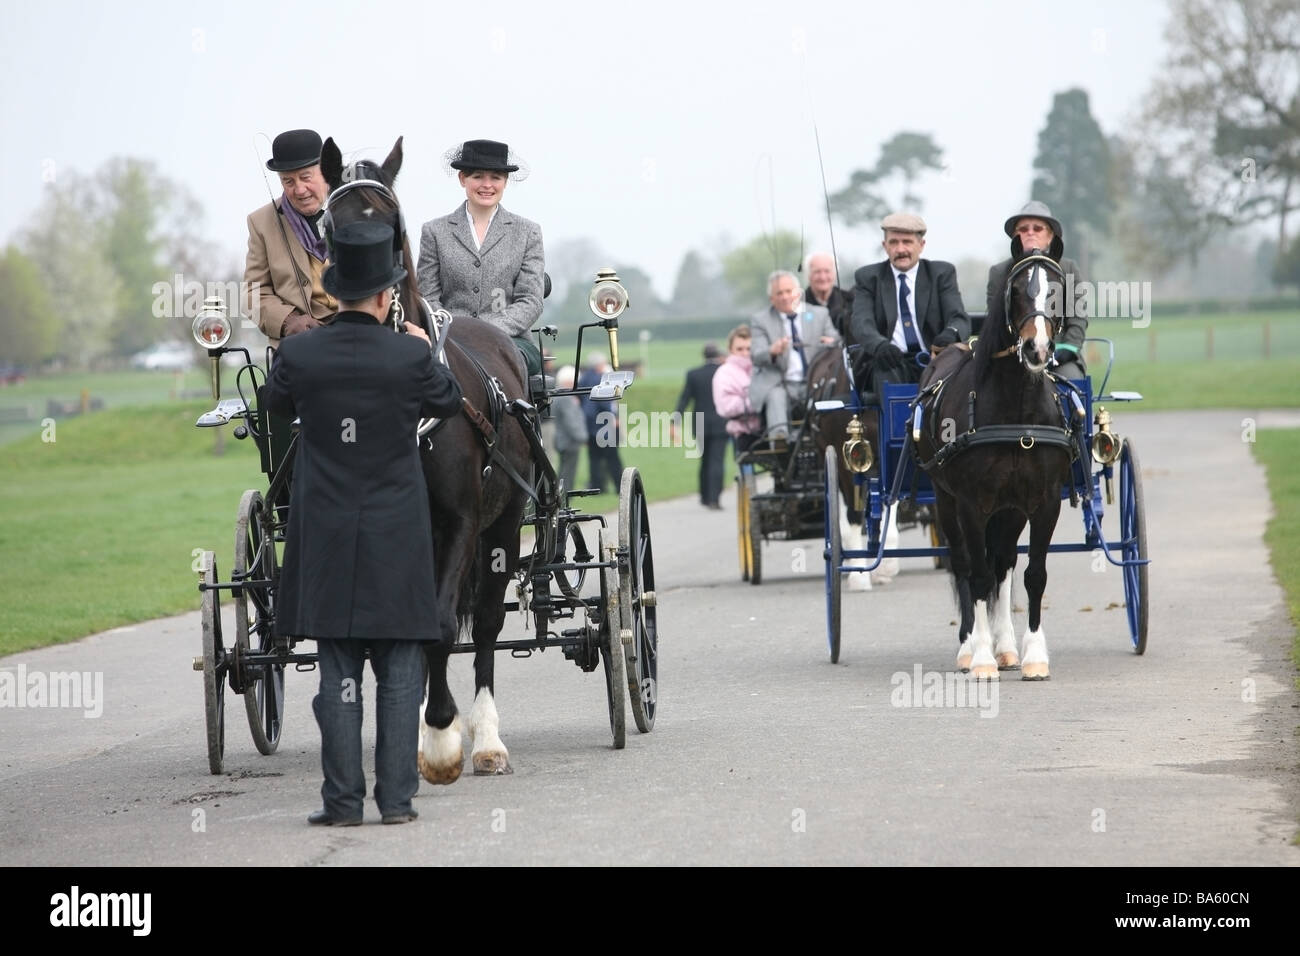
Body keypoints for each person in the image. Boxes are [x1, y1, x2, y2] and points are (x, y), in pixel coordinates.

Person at [263, 220, 463, 826]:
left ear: (337, 291)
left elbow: (274, 405)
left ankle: (343, 803)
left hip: (325, 534)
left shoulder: (298, 354)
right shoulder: (407, 353)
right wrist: (419, 345)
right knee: (401, 673)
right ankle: (397, 801)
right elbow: (448, 401)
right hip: (396, 536)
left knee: (338, 677)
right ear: (384, 296)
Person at [416, 139, 546, 379]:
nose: (487, 185)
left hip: (511, 341)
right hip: (448, 339)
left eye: (495, 177)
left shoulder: (528, 232)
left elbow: (530, 300)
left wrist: (487, 331)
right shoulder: (434, 231)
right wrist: (453, 332)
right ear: (462, 178)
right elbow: (428, 297)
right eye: (478, 176)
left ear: (505, 182)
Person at [849, 212, 970, 396]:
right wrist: (880, 345)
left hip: (935, 359)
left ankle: (951, 426)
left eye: (907, 242)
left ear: (921, 245)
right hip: (890, 361)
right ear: (885, 246)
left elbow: (958, 318)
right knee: (887, 377)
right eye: (893, 242)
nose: (900, 249)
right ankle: (896, 425)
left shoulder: (941, 274)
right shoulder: (868, 277)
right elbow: (861, 322)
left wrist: (949, 335)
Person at [244, 128, 338, 345]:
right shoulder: (260, 223)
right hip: (300, 344)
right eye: (288, 182)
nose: (300, 189)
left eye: (306, 178)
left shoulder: (354, 206)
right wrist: (289, 321)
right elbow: (253, 295)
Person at [986, 200, 1089, 381]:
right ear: (1015, 237)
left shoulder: (1069, 268)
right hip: (1011, 357)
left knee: (1072, 381)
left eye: (1037, 228)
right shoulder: (999, 272)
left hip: (1059, 355)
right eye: (1023, 229)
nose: (1030, 233)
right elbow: (996, 321)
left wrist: (1067, 350)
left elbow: (1078, 317)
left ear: (1050, 236)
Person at [749, 270, 840, 444]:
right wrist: (772, 351)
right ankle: (780, 440)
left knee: (831, 393)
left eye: (789, 291)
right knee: (775, 396)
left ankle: (829, 437)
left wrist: (832, 341)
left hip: (815, 381)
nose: (785, 297)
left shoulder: (819, 314)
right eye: (779, 293)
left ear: (798, 293)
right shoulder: (760, 320)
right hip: (781, 382)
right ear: (772, 299)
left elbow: (837, 340)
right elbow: (756, 355)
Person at [672, 343, 728, 510]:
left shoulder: (693, 374)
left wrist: (674, 422)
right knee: (717, 461)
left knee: (704, 460)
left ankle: (704, 496)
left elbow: (684, 400)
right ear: (717, 354)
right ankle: (714, 498)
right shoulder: (723, 372)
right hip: (721, 423)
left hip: (700, 423)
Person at [711, 325, 762, 456]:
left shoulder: (764, 367)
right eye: (740, 349)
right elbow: (726, 407)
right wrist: (756, 401)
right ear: (730, 350)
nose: (745, 353)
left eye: (749, 349)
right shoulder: (724, 373)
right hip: (746, 432)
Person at [578, 351, 624, 493]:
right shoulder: (601, 380)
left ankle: (598, 487)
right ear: (599, 365)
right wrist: (614, 417)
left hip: (589, 423)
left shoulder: (584, 378)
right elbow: (605, 402)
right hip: (604, 424)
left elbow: (579, 398)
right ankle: (619, 486)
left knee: (594, 458)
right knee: (612, 457)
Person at [804, 251, 856, 342]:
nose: (823, 277)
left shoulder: (850, 300)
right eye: (817, 272)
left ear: (835, 274)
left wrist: (837, 342)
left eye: (827, 271)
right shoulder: (799, 304)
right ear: (808, 275)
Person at [551, 364, 587, 493]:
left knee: (564, 470)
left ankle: (561, 494)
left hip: (562, 440)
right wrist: (583, 437)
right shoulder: (566, 397)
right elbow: (571, 421)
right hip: (569, 441)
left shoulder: (558, 395)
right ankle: (565, 495)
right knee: (568, 472)